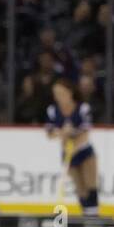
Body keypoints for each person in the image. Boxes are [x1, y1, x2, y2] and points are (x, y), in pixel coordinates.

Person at [45, 78, 99, 215]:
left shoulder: (82, 108)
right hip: (67, 152)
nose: (58, 96)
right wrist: (62, 132)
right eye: (56, 93)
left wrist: (74, 146)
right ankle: (86, 213)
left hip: (84, 150)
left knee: (90, 183)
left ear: (70, 92)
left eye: (61, 93)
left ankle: (94, 214)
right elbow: (50, 133)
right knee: (80, 187)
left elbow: (86, 133)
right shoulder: (52, 110)